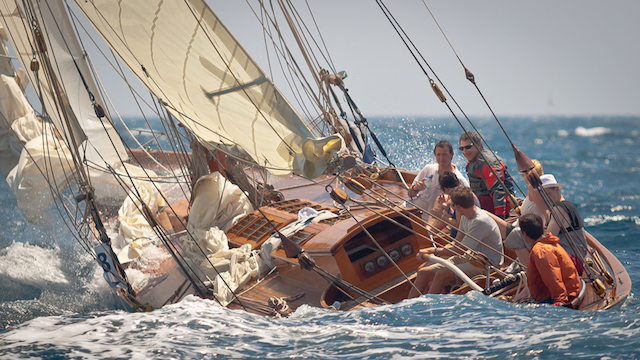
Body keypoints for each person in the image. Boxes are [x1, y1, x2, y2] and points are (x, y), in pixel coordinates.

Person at [408, 185, 503, 297]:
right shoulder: (465, 217)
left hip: (486, 264)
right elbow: (457, 242)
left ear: (457, 206)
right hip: (469, 257)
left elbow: (459, 249)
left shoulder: (479, 222)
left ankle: (428, 309)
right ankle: (408, 307)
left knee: (441, 274)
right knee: (423, 272)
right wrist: (433, 252)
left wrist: (432, 251)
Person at [520, 213, 581, 305]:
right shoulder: (548, 242)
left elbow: (552, 276)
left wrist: (559, 302)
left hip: (561, 297)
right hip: (563, 293)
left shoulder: (541, 251)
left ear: (524, 234)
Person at [459, 131, 515, 219]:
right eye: (462, 149)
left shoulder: (486, 163)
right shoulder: (473, 161)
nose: (465, 151)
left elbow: (498, 190)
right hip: (482, 202)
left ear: (478, 145)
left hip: (493, 205)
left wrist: (500, 217)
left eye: (468, 147)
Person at [408, 140, 469, 220]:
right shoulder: (427, 169)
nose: (441, 158)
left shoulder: (459, 180)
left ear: (452, 155)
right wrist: (415, 188)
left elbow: (467, 207)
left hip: (437, 221)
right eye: (438, 155)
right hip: (414, 213)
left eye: (444, 154)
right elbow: (410, 194)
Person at [543, 174, 588, 272]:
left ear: (556, 189)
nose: (546, 198)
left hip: (570, 261)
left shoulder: (558, 209)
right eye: (543, 196)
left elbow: (549, 239)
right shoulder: (568, 205)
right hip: (579, 259)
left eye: (548, 194)